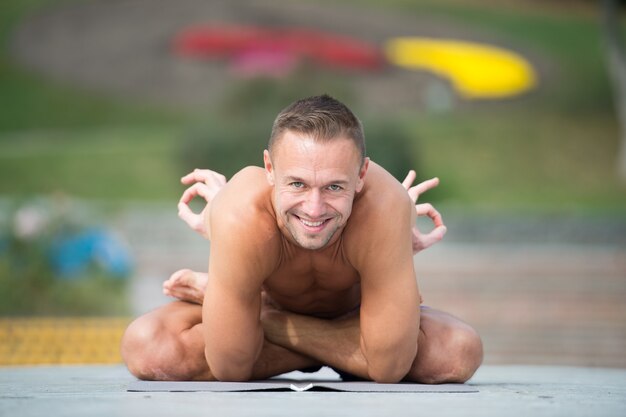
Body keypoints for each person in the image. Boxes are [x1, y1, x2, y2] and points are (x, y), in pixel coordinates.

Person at [121, 95, 483, 383]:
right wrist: (360, 349)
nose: (314, 208)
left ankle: (250, 313)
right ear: (269, 169)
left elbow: (388, 368)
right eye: (297, 184)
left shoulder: (386, 205)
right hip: (350, 326)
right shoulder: (239, 210)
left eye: (334, 187)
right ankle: (351, 356)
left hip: (333, 313)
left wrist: (264, 322)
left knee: (456, 352)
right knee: (147, 346)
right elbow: (230, 366)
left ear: (361, 176)